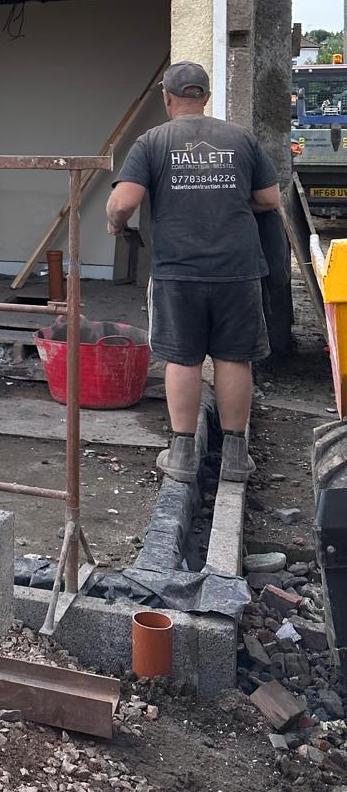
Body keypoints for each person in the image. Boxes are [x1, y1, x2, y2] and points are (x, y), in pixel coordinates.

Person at [105, 61, 280, 484]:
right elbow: (270, 199)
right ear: (205, 96)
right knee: (234, 357)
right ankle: (235, 456)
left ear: (167, 98)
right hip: (237, 269)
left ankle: (182, 454)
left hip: (178, 272)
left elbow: (124, 201)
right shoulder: (241, 139)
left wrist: (115, 222)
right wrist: (231, 201)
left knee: (182, 359)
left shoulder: (152, 142)